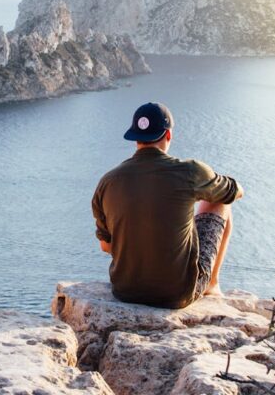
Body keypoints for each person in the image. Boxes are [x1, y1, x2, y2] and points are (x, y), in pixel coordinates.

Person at [91, 102, 243, 309]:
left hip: (125, 291)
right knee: (221, 202)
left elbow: (106, 246)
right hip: (176, 294)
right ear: (168, 135)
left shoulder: (107, 181)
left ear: (135, 138)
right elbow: (234, 192)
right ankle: (212, 284)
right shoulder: (190, 172)